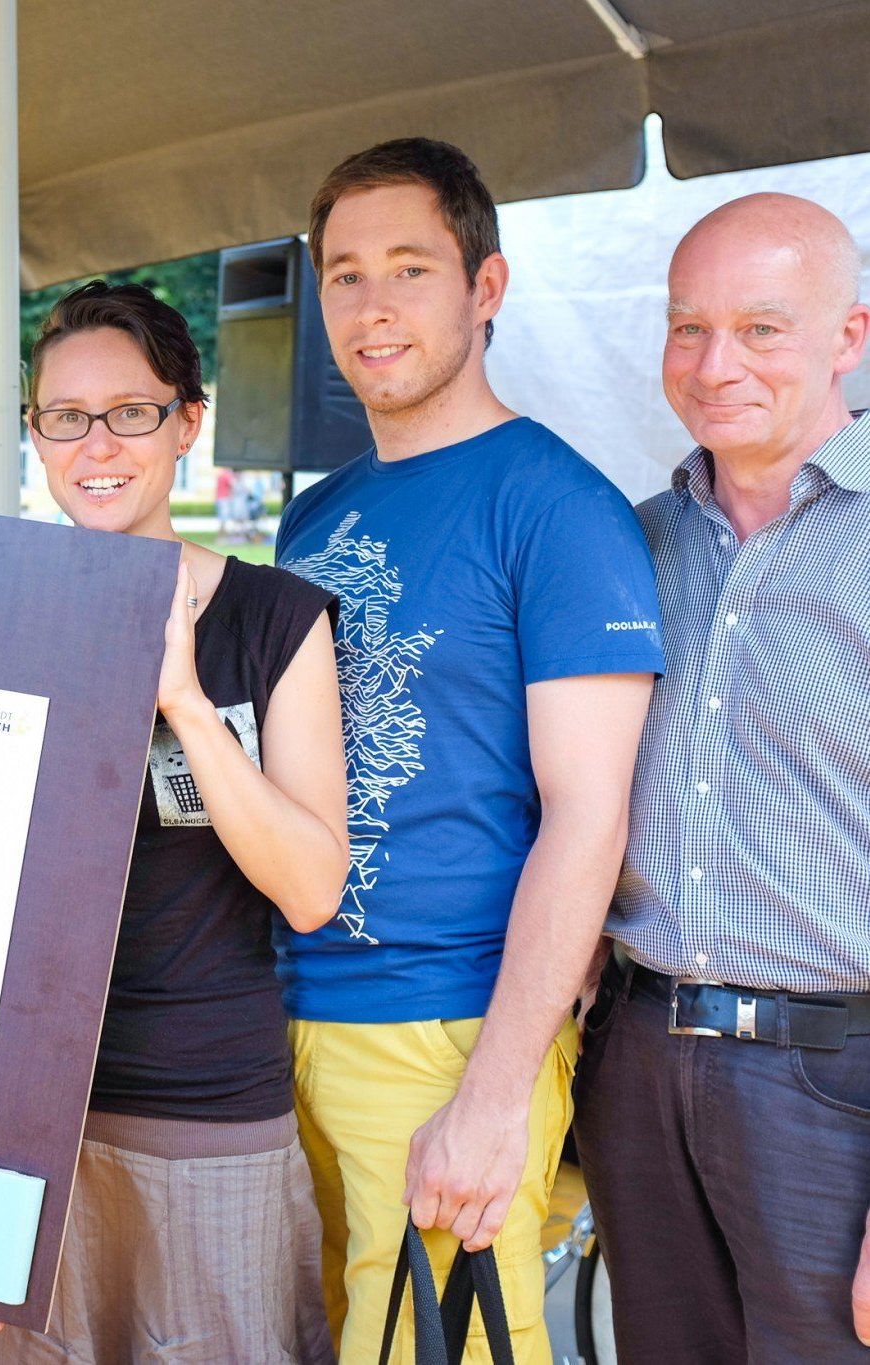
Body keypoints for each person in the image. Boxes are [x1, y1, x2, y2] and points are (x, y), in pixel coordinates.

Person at [0, 281, 348, 1363]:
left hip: (201, 1112)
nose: (96, 443)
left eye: (131, 411)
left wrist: (186, 706)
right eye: (65, 416)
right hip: (6, 1120)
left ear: (186, 421)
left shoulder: (276, 618)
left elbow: (310, 887)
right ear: (32, 433)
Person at [272, 138, 662, 1364]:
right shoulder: (315, 512)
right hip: (280, 1013)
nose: (371, 306)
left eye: (407, 268)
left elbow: (587, 816)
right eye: (343, 274)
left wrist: (496, 1095)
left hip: (445, 1029)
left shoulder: (558, 507)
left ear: (483, 289)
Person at [575, 193, 870, 1363]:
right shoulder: (623, 544)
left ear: (848, 337)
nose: (712, 364)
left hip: (832, 1082)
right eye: (685, 326)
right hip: (638, 1060)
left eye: (759, 328)